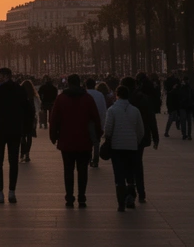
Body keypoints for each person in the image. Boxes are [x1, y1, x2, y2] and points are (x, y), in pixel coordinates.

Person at [49, 74, 102, 208]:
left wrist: (53, 136)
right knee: (83, 170)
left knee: (68, 170)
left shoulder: (61, 99)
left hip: (66, 140)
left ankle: (69, 197)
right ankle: (82, 197)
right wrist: (98, 134)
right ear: (80, 83)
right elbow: (96, 118)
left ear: (68, 83)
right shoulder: (87, 98)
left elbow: (54, 119)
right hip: (84, 141)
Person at [0, 67, 33, 204]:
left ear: (8, 76)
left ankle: (9, 191)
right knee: (3, 162)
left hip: (5, 130)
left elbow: (26, 108)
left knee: (6, 161)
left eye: (1, 76)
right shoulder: (2, 89)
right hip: (8, 130)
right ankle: (3, 191)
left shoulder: (15, 89)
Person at [103, 85, 145, 212]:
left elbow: (108, 129)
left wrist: (108, 139)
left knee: (119, 174)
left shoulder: (112, 110)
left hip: (117, 147)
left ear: (117, 95)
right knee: (130, 174)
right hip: (132, 147)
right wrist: (135, 141)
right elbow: (140, 130)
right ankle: (130, 199)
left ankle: (121, 203)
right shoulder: (135, 110)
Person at [130, 75, 160, 203]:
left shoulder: (122, 102)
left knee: (126, 165)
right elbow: (151, 119)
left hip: (125, 137)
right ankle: (141, 192)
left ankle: (130, 191)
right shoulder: (145, 99)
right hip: (141, 136)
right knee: (138, 164)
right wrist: (155, 136)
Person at [85, 78, 108, 168]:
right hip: (97, 120)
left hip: (86, 121)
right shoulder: (100, 95)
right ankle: (96, 160)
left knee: (87, 141)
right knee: (96, 142)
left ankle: (88, 158)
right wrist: (102, 124)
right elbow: (103, 109)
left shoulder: (84, 94)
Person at [21, 79, 40, 162]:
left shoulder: (20, 96)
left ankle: (22, 152)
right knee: (29, 136)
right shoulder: (33, 96)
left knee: (22, 137)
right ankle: (27, 153)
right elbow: (37, 108)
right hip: (31, 118)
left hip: (21, 118)